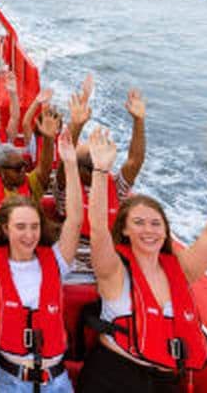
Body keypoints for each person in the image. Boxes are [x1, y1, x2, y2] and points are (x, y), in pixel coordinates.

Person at [80, 128, 207, 393]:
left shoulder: (180, 270)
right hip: (112, 378)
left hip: (166, 383)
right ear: (125, 230)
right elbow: (99, 228)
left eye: (155, 223)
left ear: (165, 230)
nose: (149, 230)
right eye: (139, 222)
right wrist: (101, 172)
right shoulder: (114, 271)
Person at [0, 131, 83, 392]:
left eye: (34, 226)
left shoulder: (57, 261)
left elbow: (74, 220)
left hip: (58, 381)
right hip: (11, 381)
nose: (29, 235)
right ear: (5, 229)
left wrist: (71, 164)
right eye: (20, 227)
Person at [55, 87, 146, 278]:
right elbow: (66, 158)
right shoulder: (67, 186)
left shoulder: (115, 188)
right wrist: (76, 125)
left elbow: (135, 161)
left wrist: (139, 121)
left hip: (107, 263)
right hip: (71, 263)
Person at [0, 106, 61, 228]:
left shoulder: (31, 182)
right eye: (17, 168)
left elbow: (45, 167)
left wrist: (48, 138)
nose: (23, 171)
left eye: (24, 165)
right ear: (1, 171)